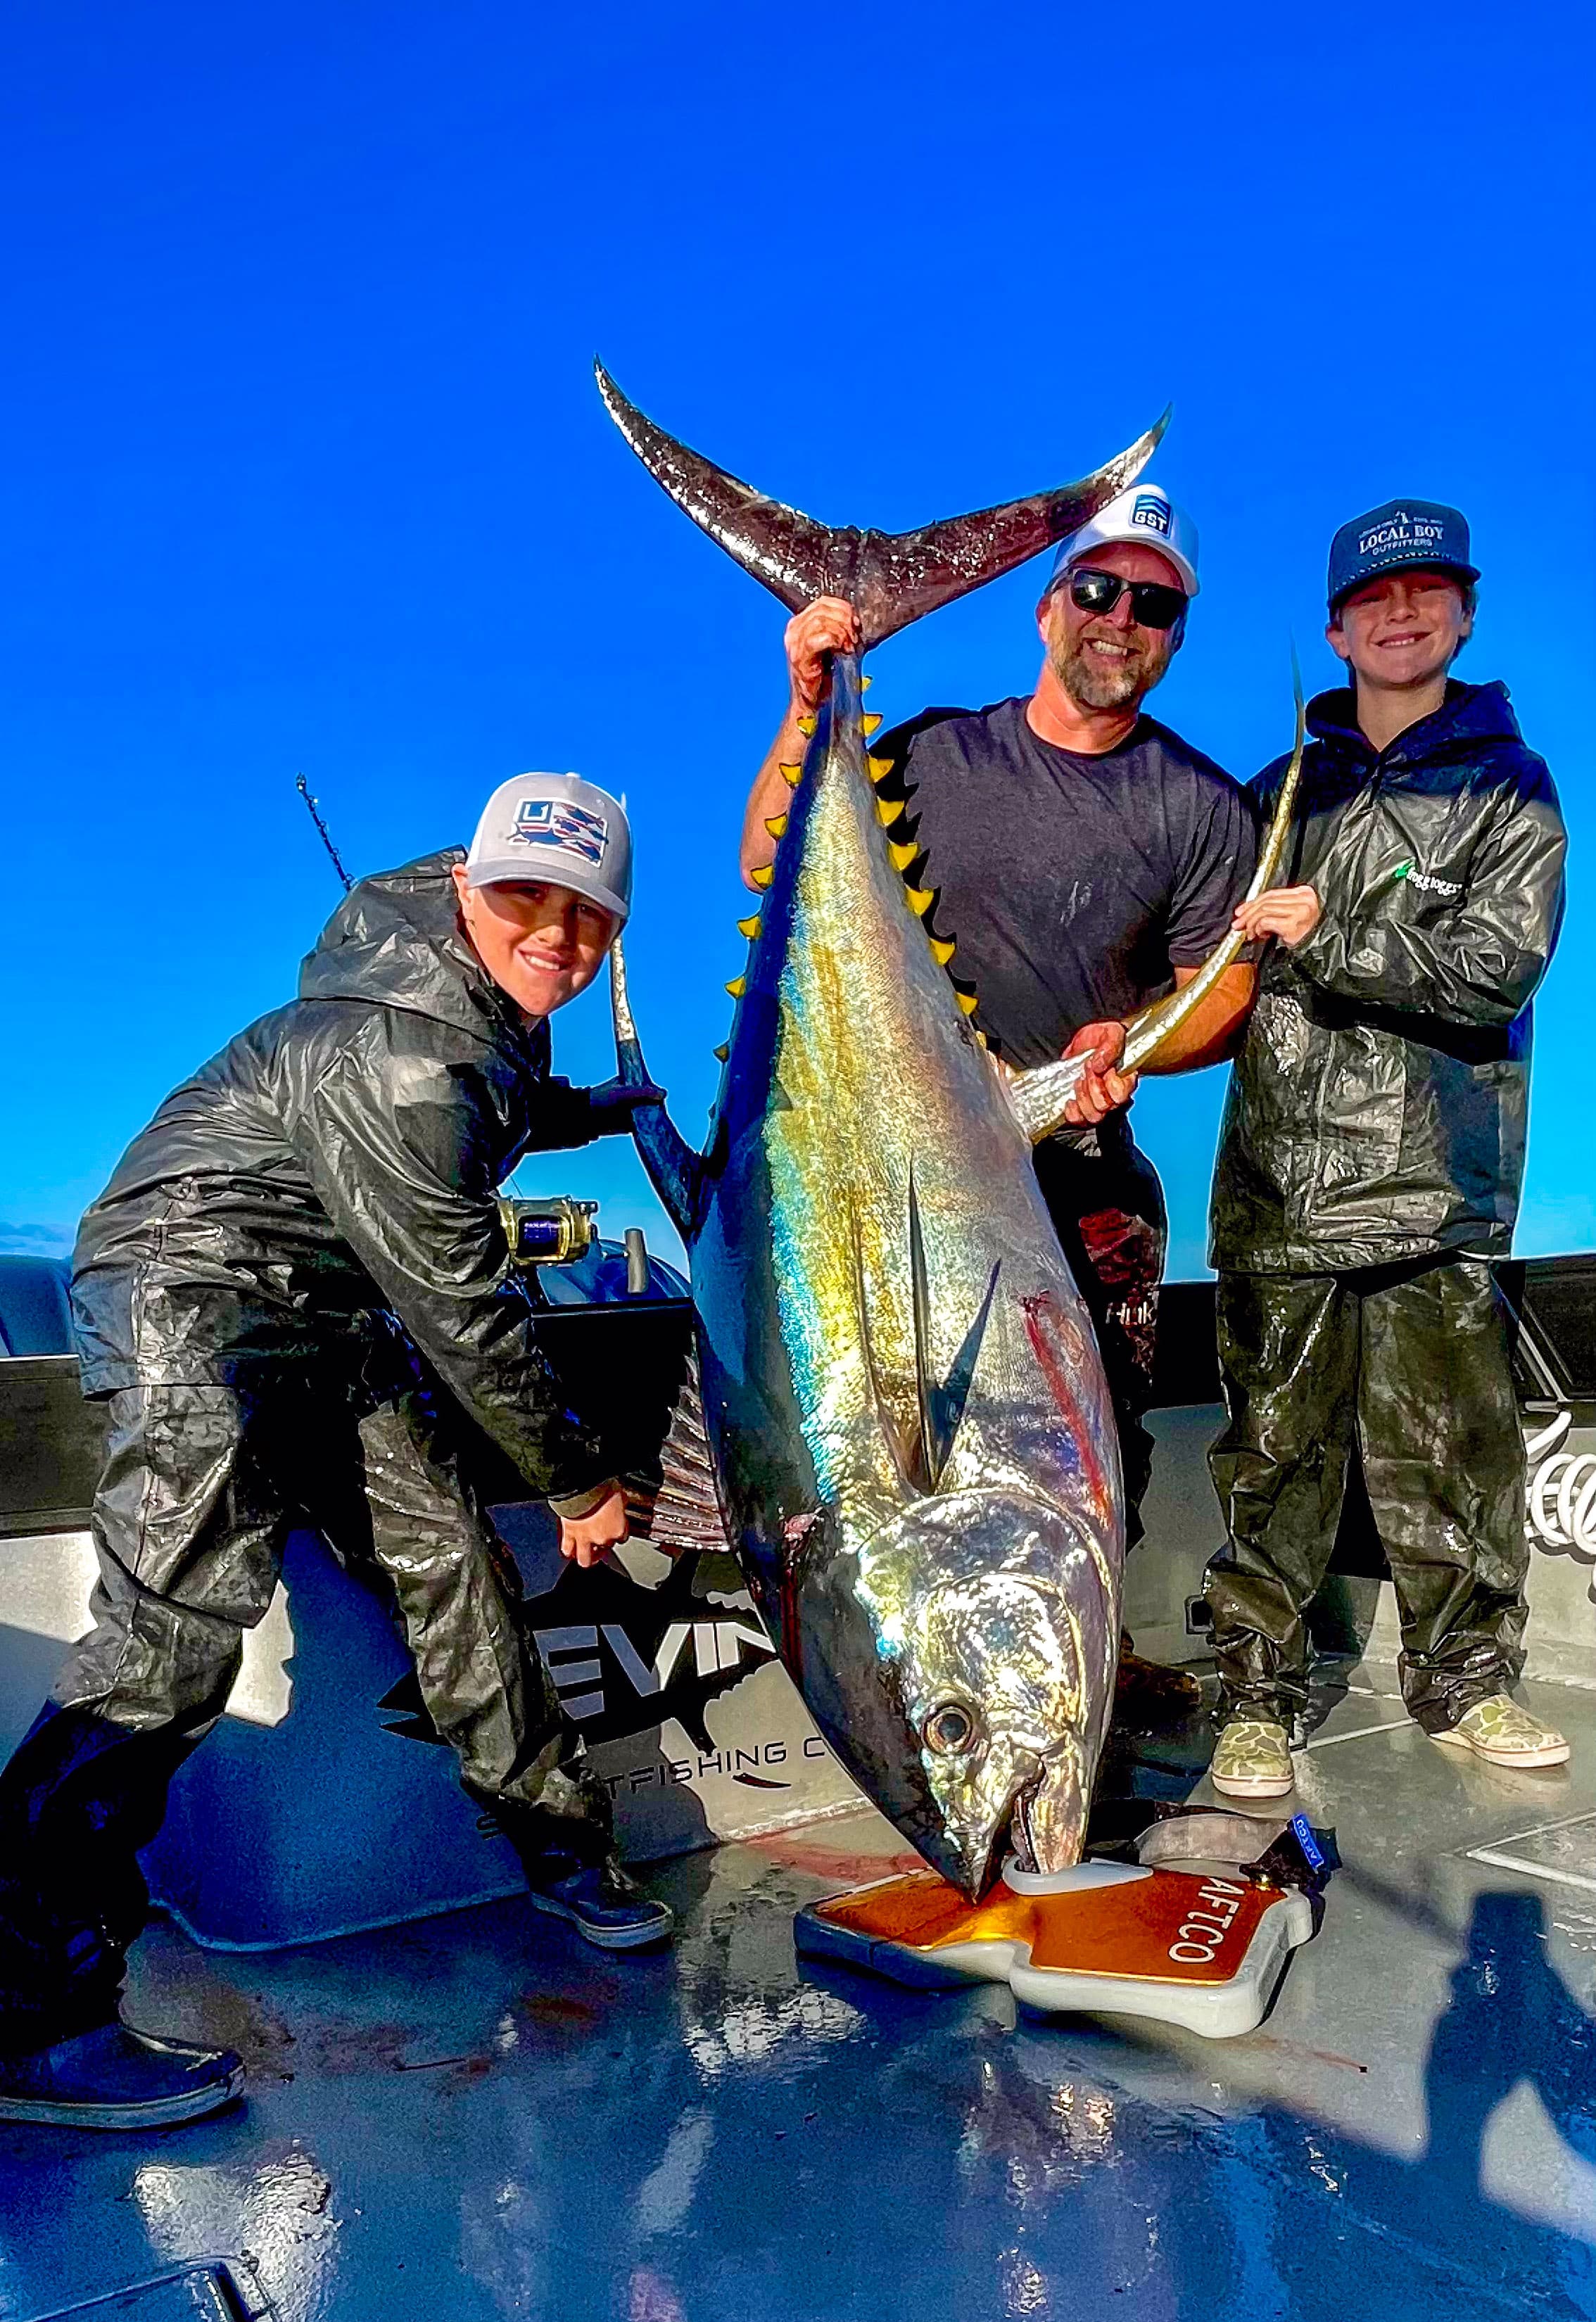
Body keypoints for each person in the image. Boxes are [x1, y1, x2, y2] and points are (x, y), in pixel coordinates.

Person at [0, 772, 678, 2133]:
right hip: (187, 1284)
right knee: (177, 1632)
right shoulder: (404, 1054)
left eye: (587, 918)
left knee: (452, 1559)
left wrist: (596, 1109)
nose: (554, 934)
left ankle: (556, 1848)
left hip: (319, 1303)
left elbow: (496, 1098)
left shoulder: (463, 1012)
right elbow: (472, 1320)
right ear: (466, 890)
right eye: (523, 900)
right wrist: (586, 1484)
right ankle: (25, 2013)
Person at [741, 483, 1258, 1723]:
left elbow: (1224, 993)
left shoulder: (1197, 804)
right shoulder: (927, 750)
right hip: (895, 1169)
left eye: (1153, 604)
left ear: (1176, 635)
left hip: (1074, 1157)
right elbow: (772, 861)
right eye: (1098, 589)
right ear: (1047, 607)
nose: (1120, 618)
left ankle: (1085, 1652)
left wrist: (1134, 1040)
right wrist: (811, 701)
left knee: (1101, 1436)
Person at [1203, 501, 1568, 1800]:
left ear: (1466, 613)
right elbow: (1191, 968)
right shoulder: (1270, 796)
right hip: (1280, 1186)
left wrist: (1325, 935)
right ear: (1336, 627)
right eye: (1375, 598)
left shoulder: (1511, 786)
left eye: (1428, 593)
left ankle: (1468, 1686)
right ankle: (1254, 1694)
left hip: (1434, 1187)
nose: (1402, 614)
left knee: (1454, 1460)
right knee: (1269, 1457)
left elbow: (1494, 970)